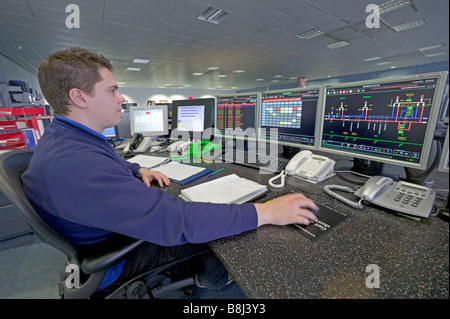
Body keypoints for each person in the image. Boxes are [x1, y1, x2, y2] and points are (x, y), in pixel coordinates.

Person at [21, 47, 319, 297]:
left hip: (102, 234)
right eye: (112, 90)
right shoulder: (78, 163)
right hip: (117, 254)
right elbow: (176, 220)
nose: (121, 98)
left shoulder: (66, 140)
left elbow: (105, 161)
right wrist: (266, 212)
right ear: (79, 97)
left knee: (211, 216)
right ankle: (212, 287)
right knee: (219, 227)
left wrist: (137, 169)